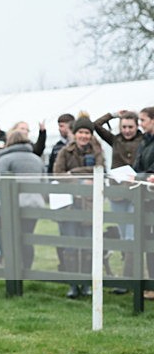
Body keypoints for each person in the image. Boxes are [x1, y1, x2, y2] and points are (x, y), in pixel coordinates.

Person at [53, 116, 105, 299]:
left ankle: (87, 283)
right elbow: (58, 173)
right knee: (70, 246)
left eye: (87, 132)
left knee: (89, 246)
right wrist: (81, 180)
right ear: (74, 134)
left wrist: (73, 173)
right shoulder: (64, 152)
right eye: (81, 132)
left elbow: (100, 171)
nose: (84, 136)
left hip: (89, 206)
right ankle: (73, 284)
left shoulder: (97, 150)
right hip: (68, 206)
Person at [94, 110, 143, 288]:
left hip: (136, 193)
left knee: (131, 237)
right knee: (123, 237)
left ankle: (128, 279)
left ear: (137, 126)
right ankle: (126, 279)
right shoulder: (115, 140)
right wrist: (113, 114)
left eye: (131, 127)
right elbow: (96, 125)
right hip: (117, 195)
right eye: (124, 127)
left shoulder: (143, 141)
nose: (127, 130)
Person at [0, 129, 46, 270]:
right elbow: (44, 182)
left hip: (12, 205)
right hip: (35, 204)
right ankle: (27, 269)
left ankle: (13, 269)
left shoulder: (5, 159)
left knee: (11, 238)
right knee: (27, 237)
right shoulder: (37, 159)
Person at [132, 106, 154, 299]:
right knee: (148, 242)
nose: (140, 124)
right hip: (145, 198)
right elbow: (139, 165)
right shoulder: (144, 142)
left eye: (143, 120)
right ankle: (151, 285)